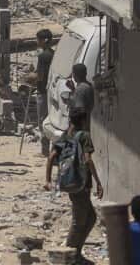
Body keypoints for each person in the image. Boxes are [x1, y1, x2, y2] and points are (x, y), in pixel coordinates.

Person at [45, 113, 103, 265]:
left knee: (91, 218)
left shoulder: (65, 136)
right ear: (83, 121)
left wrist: (48, 180)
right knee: (79, 222)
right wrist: (98, 181)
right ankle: (68, 257)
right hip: (82, 184)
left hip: (70, 183)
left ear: (70, 120)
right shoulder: (84, 136)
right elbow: (88, 160)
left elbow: (51, 156)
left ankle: (76, 254)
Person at [34, 29, 55, 156]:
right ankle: (53, 149)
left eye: (38, 39)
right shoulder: (54, 54)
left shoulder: (43, 56)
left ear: (44, 40)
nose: (37, 42)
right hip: (52, 90)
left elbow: (40, 76)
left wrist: (31, 78)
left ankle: (45, 150)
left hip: (42, 91)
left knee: (42, 120)